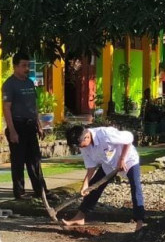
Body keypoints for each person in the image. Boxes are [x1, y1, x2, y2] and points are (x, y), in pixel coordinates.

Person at [63, 125, 145, 230]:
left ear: (87, 137)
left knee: (135, 186)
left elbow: (129, 138)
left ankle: (139, 221)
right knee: (94, 186)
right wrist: (85, 184)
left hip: (128, 159)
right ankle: (80, 217)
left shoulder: (105, 134)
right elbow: (91, 166)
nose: (81, 148)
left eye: (80, 145)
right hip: (109, 164)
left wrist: (122, 159)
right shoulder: (83, 145)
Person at [2, 52, 56, 201]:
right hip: (17, 126)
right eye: (23, 65)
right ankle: (19, 193)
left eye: (28, 65)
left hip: (30, 125)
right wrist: (12, 131)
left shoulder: (29, 83)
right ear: (15, 66)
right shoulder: (9, 85)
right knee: (18, 161)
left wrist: (38, 124)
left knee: (35, 160)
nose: (27, 68)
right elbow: (6, 108)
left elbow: (34, 106)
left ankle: (41, 190)